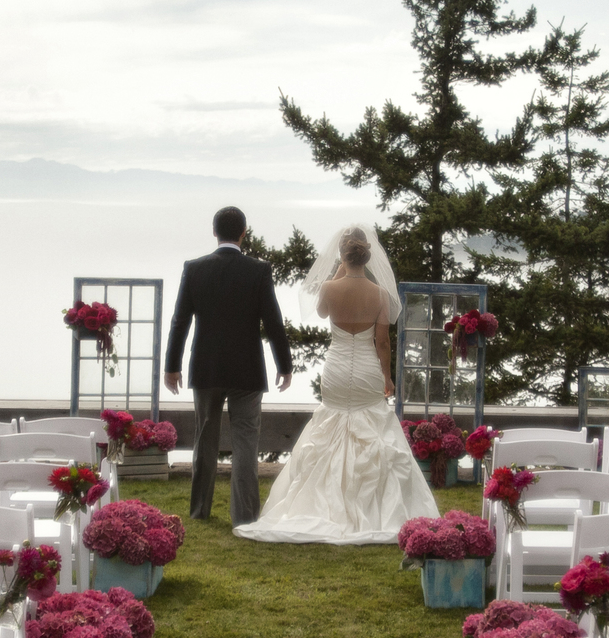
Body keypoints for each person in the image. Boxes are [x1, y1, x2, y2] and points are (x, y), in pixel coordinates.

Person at [234, 222, 440, 545]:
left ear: (342, 256)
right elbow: (382, 343)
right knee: (374, 430)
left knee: (329, 428)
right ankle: (371, 505)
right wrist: (386, 378)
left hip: (336, 368)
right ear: (368, 257)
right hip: (368, 371)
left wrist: (334, 275)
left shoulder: (329, 289)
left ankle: (322, 502)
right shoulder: (381, 294)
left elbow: (319, 311)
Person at [164, 206, 292, 525]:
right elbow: (273, 321)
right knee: (246, 443)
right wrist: (284, 365)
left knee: (205, 439)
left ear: (214, 231)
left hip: (206, 368)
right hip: (248, 370)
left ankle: (199, 511)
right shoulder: (258, 271)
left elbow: (180, 320)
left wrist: (172, 366)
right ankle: (245, 517)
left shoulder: (194, 268)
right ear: (244, 233)